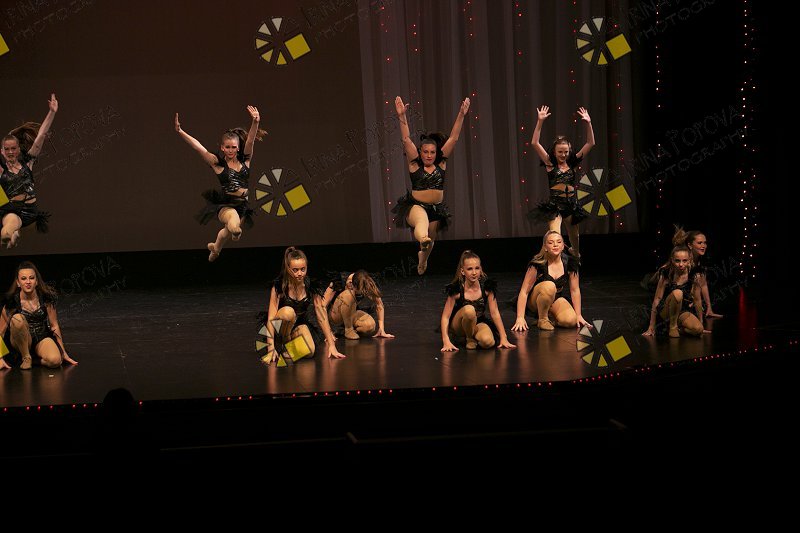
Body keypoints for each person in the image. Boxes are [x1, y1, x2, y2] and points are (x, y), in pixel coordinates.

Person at [392, 96, 470, 274]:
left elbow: (454, 138)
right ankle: (423, 239)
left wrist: (461, 114)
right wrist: (401, 116)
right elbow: (406, 139)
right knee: (422, 224)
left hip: (436, 208)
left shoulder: (441, 163)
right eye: (425, 152)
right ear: (420, 152)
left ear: (436, 153)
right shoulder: (414, 164)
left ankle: (423, 259)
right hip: (416, 206)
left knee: (431, 241)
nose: (428, 155)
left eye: (432, 152)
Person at [175, 106, 264, 261]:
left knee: (226, 233)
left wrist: (255, 122)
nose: (230, 150)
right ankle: (235, 231)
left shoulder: (246, 160)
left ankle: (215, 249)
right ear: (222, 147)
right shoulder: (218, 164)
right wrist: (180, 131)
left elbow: (250, 140)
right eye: (227, 147)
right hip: (226, 205)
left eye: (233, 147)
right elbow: (198, 147)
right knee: (233, 223)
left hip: (243, 204)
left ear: (238, 148)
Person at [527, 105, 595, 258]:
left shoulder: (572, 164)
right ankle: (549, 259)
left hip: (570, 206)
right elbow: (534, 143)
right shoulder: (550, 164)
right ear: (554, 152)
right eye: (560, 152)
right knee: (555, 237)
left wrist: (588, 123)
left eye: (566, 152)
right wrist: (540, 121)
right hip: (555, 207)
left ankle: (575, 255)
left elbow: (590, 143)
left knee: (575, 238)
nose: (563, 155)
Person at [262, 247, 345, 364]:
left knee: (310, 351)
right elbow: (271, 318)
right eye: (295, 270)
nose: (300, 273)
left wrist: (332, 345)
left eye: (303, 269)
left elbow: (321, 315)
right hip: (280, 327)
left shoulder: (310, 285)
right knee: (288, 312)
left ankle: (286, 350)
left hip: (298, 325)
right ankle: (282, 344)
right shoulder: (279, 286)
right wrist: (270, 348)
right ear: (288, 269)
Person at [0, 94, 59, 248]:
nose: (10, 152)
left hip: (30, 211)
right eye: (7, 149)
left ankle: (12, 235)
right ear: (2, 151)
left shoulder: (28, 161)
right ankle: (11, 235)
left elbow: (41, 135)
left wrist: (52, 112)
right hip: (11, 211)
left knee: (10, 228)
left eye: (13, 148)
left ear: (19, 150)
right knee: (8, 229)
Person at [0, 261, 77, 370]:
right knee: (18, 319)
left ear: (36, 281)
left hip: (40, 337)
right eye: (23, 279)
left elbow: (54, 325)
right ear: (18, 283)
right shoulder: (11, 302)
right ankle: (26, 357)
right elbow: (1, 332)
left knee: (55, 361)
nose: (28, 282)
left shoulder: (46, 299)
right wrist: (0, 358)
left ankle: (33, 360)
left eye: (31, 278)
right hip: (19, 342)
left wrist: (63, 352)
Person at [512, 230, 589, 332]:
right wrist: (520, 318)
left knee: (570, 321)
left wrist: (578, 315)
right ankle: (542, 319)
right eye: (551, 242)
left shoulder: (570, 263)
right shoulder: (538, 264)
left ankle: (551, 318)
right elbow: (524, 291)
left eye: (559, 242)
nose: (555, 245)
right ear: (545, 247)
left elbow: (575, 290)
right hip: (535, 300)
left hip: (555, 298)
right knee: (549, 286)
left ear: (563, 246)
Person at [440, 250, 516, 352]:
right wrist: (446, 340)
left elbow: (495, 313)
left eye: (477, 268)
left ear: (481, 269)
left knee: (488, 342)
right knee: (469, 310)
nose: (474, 272)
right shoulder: (456, 290)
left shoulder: (487, 288)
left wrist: (503, 337)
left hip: (478, 322)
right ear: (463, 271)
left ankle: (473, 336)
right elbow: (445, 317)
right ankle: (469, 339)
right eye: (469, 269)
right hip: (459, 325)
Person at [643, 245, 704, 338]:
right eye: (677, 261)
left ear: (689, 260)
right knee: (678, 293)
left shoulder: (694, 275)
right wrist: (651, 325)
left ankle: (673, 328)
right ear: (672, 260)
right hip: (665, 310)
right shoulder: (666, 273)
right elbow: (657, 299)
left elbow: (697, 300)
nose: (681, 264)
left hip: (682, 310)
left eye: (684, 261)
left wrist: (701, 322)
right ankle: (673, 327)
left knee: (698, 329)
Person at [673, 226, 723, 318]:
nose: (703, 246)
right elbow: (676, 285)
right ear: (690, 245)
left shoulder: (700, 260)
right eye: (699, 243)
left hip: (689, 297)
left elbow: (703, 284)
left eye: (705, 243)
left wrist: (709, 307)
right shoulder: (684, 260)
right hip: (674, 298)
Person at [328, 270, 394, 340]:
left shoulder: (365, 282)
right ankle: (348, 330)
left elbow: (379, 305)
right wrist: (328, 332)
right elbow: (323, 306)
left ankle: (343, 330)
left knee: (369, 326)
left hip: (351, 314)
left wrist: (381, 329)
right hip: (336, 317)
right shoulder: (338, 282)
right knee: (348, 294)